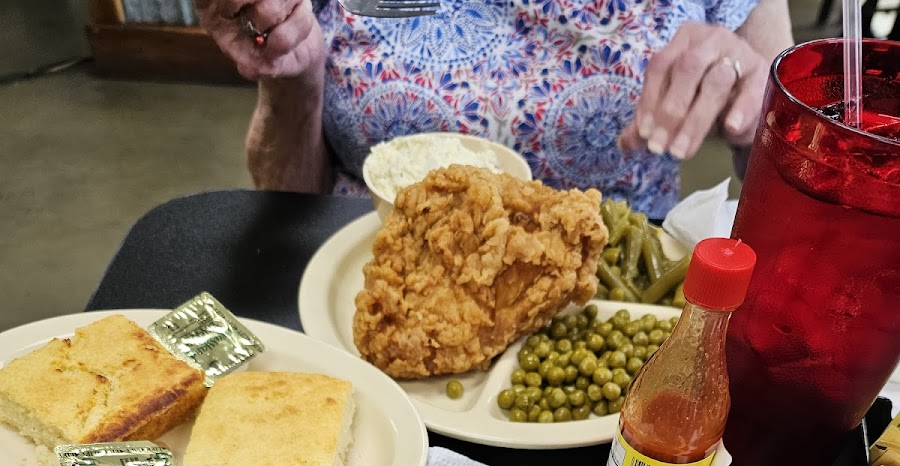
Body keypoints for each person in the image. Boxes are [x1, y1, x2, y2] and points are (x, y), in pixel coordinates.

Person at [194, 0, 792, 218]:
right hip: (362, 267)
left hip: (608, 293)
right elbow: (290, 202)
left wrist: (760, 105)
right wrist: (293, 75)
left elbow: (796, 175)